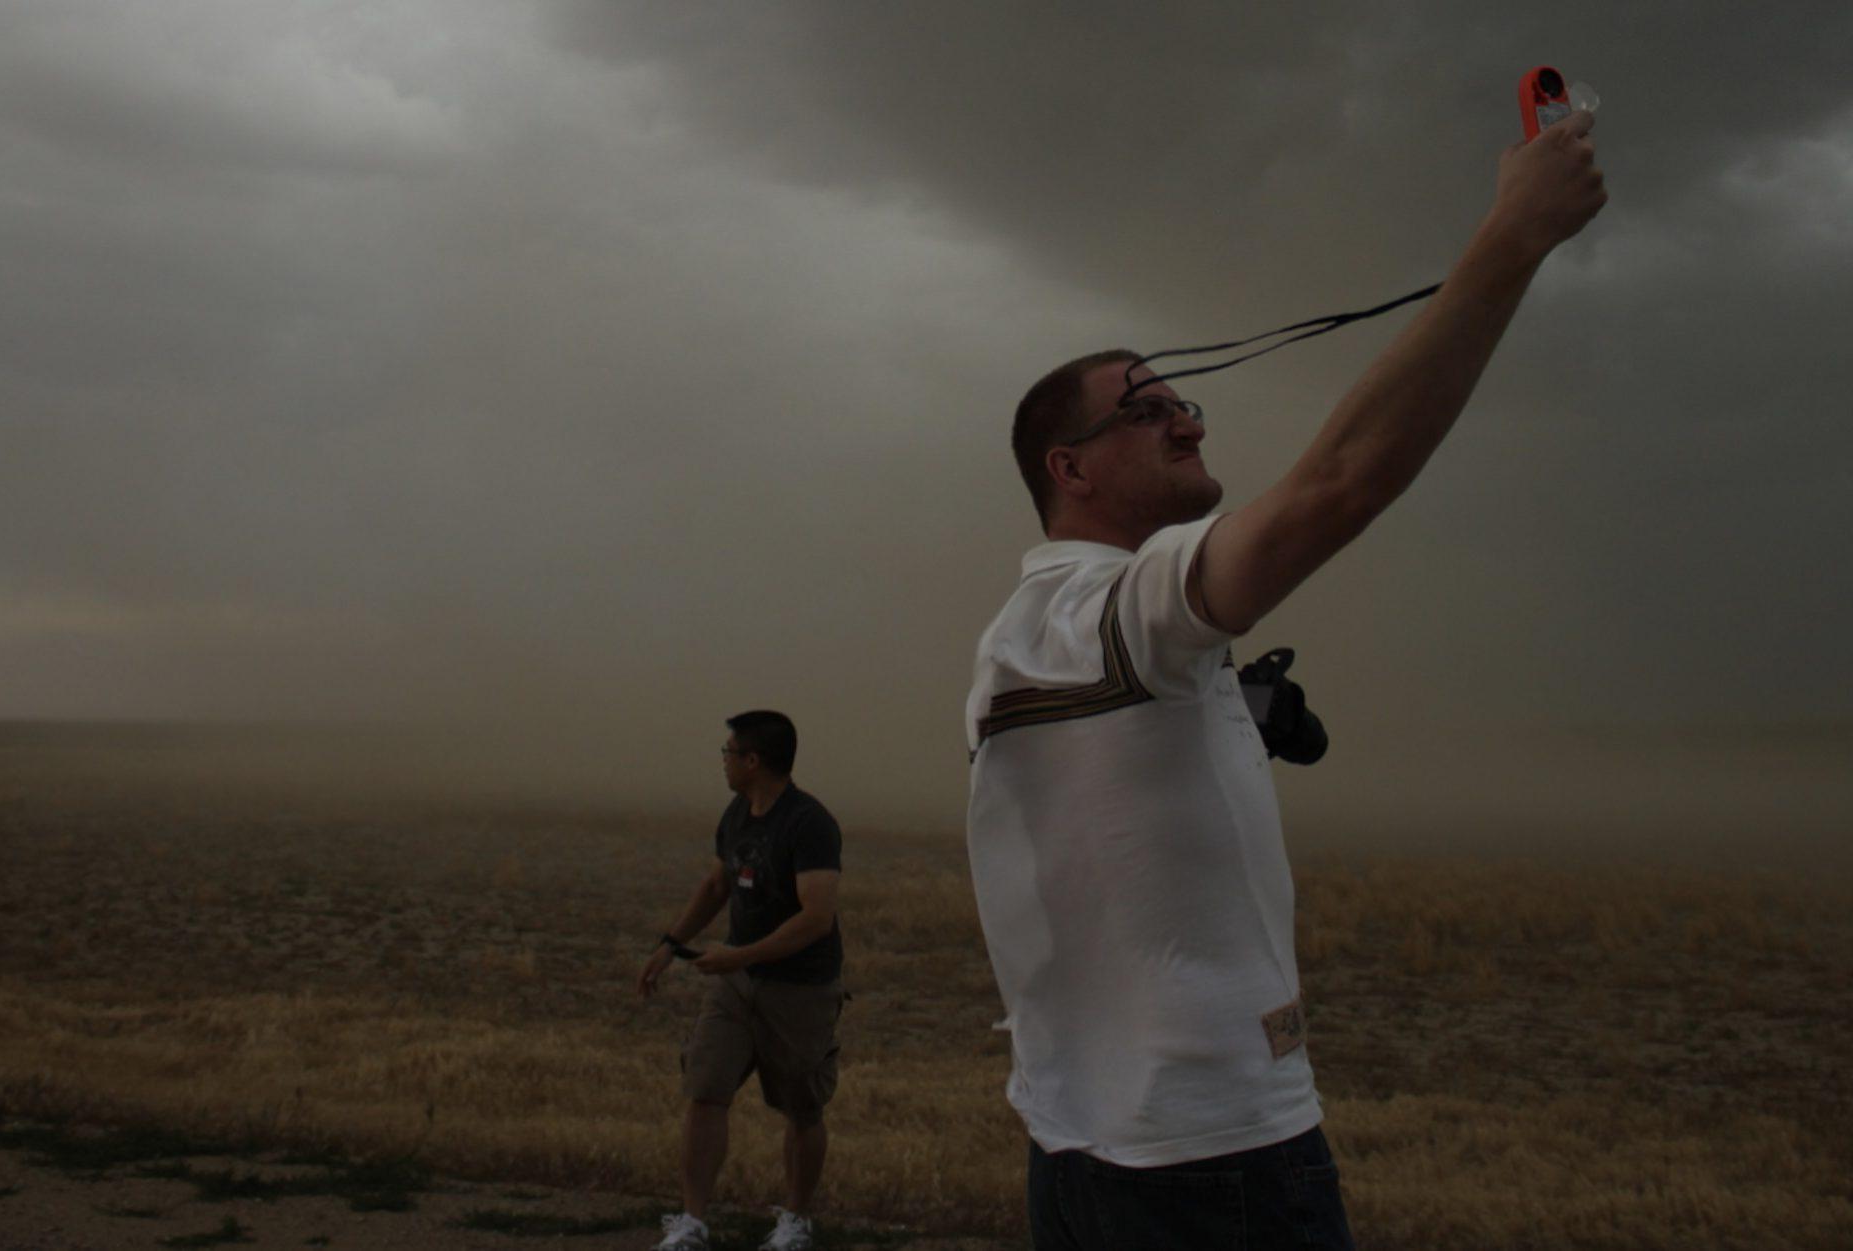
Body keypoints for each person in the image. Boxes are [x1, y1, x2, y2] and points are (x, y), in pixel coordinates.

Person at [964, 111, 1607, 1249]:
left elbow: (1108, 790)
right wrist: (1513, 236)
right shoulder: (1113, 605)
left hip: (1088, 1162)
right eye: (1144, 406)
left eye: (1183, 400)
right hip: (1213, 1170)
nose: (1184, 417)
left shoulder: (1043, 634)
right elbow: (1341, 484)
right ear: (1068, 468)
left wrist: (1228, 714)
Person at [638, 710, 847, 1251]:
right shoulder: (737, 813)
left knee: (802, 1108)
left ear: (753, 761)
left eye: (729, 753)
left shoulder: (809, 824)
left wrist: (739, 956)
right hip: (736, 986)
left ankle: (795, 1222)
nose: (723, 762)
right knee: (706, 1092)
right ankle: (691, 1225)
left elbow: (816, 917)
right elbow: (715, 886)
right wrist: (670, 945)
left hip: (800, 989)